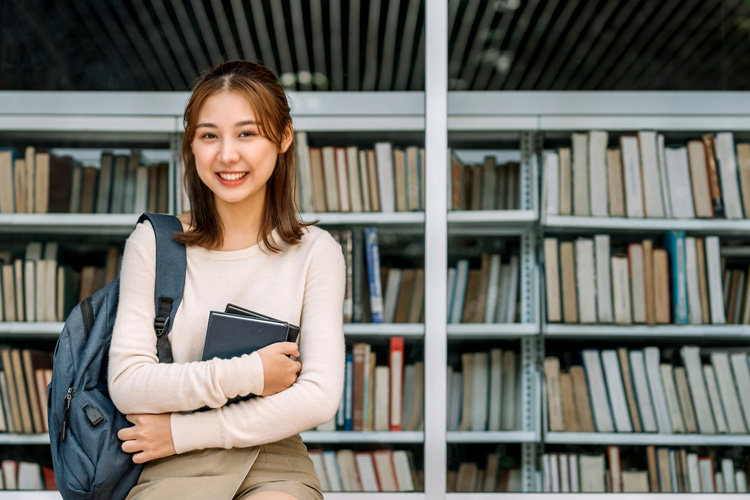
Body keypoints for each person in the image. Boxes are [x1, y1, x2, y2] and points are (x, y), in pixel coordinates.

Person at [108, 60, 345, 500]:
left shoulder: (317, 252)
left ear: (284, 137)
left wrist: (185, 431)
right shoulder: (154, 243)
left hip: (270, 455)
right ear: (192, 145)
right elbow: (128, 384)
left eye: (247, 133)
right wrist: (252, 373)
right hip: (169, 463)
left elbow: (318, 396)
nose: (227, 155)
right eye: (209, 135)